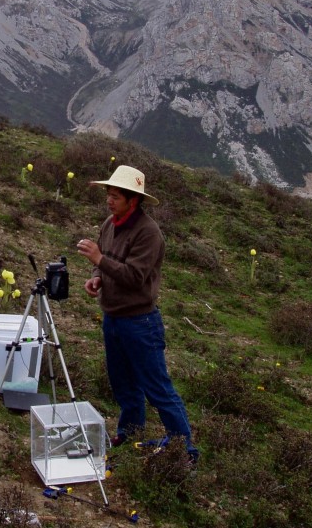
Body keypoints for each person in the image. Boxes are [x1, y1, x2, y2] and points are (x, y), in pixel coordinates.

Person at [76, 164, 199, 462]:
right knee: (122, 382)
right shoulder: (110, 223)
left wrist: (99, 259)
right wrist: (97, 276)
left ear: (134, 200)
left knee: (157, 386)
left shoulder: (149, 233)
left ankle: (184, 450)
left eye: (115, 196)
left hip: (140, 322)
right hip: (113, 317)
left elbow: (134, 276)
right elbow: (105, 261)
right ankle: (131, 432)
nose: (109, 200)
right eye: (108, 194)